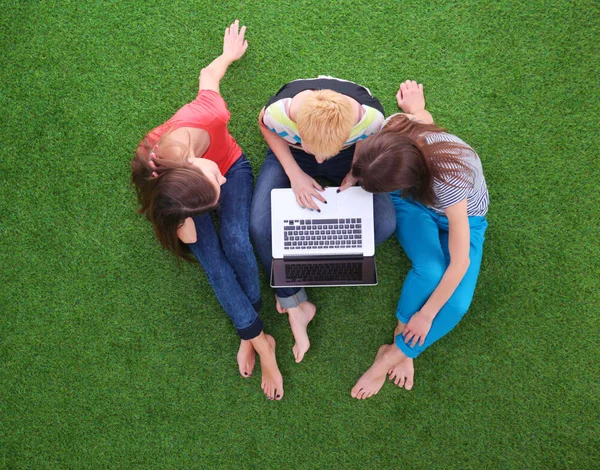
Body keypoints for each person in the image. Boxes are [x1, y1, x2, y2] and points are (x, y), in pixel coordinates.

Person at [130, 21, 283, 400]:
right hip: (186, 191)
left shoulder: (208, 114)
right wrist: (186, 220)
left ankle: (253, 333)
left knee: (236, 239)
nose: (224, 187)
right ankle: (261, 341)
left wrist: (227, 56)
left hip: (233, 161)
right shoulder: (165, 190)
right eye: (216, 191)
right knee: (213, 260)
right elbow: (189, 233)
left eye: (214, 185)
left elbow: (208, 76)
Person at [349, 80, 489, 399]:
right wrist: (417, 109)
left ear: (407, 178)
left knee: (455, 304)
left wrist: (425, 316)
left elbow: (460, 261)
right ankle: (404, 346)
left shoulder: (451, 178)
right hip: (413, 204)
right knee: (428, 269)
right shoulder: (394, 128)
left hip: (463, 217)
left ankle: (392, 355)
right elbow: (421, 126)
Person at [249, 76, 396, 363]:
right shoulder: (279, 112)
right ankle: (295, 304)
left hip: (347, 156)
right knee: (258, 225)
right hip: (294, 155)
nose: (318, 161)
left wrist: (355, 172)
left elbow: (367, 141)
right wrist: (295, 173)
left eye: (320, 156)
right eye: (313, 151)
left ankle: (308, 262)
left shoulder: (372, 119)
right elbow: (264, 126)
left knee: (385, 223)